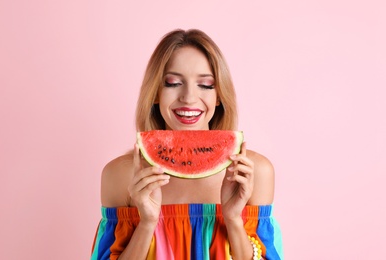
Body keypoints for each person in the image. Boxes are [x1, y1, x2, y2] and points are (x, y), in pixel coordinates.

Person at [91, 29, 283, 260]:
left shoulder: (253, 172)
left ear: (219, 95)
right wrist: (147, 223)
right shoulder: (120, 175)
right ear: (155, 93)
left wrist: (233, 219)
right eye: (173, 83)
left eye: (206, 85)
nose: (189, 97)